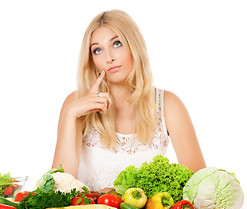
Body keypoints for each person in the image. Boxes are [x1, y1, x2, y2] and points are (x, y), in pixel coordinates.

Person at [52, 10, 206, 193]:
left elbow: (198, 187)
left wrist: (124, 196)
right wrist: (70, 115)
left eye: (117, 43)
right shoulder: (76, 104)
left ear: (135, 46)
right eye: (97, 50)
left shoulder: (169, 105)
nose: (109, 58)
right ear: (92, 59)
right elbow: (58, 190)